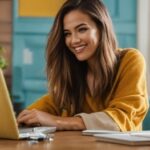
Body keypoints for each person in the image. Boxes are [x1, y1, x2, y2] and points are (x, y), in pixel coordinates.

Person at [17, 0, 148, 131]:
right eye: (67, 34)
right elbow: (46, 106)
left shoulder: (131, 60)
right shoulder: (74, 71)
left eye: (82, 29)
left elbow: (122, 118)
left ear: (102, 29)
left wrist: (56, 121)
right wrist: (23, 118)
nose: (73, 40)